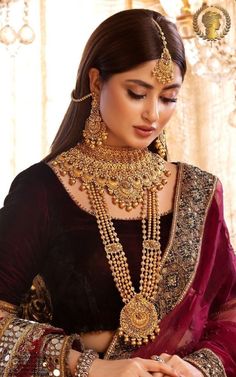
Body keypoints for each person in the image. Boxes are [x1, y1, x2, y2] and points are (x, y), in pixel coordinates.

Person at [0, 8, 235, 377]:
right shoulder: (41, 190)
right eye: (137, 93)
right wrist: (92, 369)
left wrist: (198, 369)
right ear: (96, 83)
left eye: (168, 98)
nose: (153, 114)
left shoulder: (198, 192)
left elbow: (230, 310)